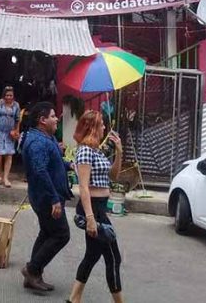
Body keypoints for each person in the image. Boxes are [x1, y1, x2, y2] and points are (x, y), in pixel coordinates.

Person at [67, 110, 124, 303]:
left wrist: (119, 152)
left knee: (92, 255)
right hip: (93, 210)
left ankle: (74, 299)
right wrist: (91, 219)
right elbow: (83, 187)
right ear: (93, 128)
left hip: (100, 208)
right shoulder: (84, 151)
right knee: (113, 257)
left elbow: (114, 176)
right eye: (101, 125)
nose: (105, 128)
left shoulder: (96, 151)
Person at [21, 101, 73, 293]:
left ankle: (34, 275)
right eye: (52, 116)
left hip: (49, 196)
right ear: (42, 120)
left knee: (47, 233)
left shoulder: (46, 137)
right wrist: (54, 199)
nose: (56, 118)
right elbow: (40, 170)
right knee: (61, 234)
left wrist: (69, 165)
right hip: (45, 198)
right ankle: (32, 269)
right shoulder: (37, 142)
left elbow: (53, 162)